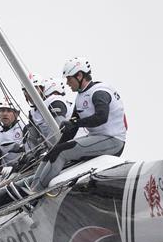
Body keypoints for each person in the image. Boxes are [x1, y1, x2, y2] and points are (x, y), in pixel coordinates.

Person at [29, 57, 127, 193]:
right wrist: (55, 148)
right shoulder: (81, 96)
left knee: (62, 153)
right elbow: (72, 126)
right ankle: (32, 189)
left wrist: (75, 123)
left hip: (113, 141)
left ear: (80, 76)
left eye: (69, 79)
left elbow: (101, 118)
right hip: (98, 138)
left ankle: (36, 193)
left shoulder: (99, 92)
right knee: (54, 152)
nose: (67, 83)